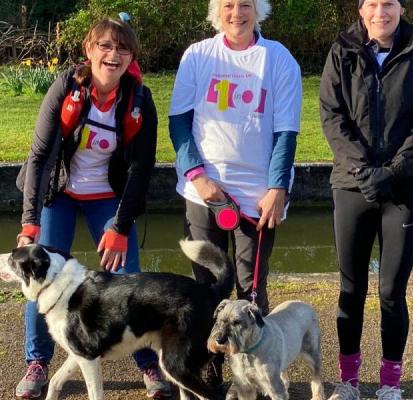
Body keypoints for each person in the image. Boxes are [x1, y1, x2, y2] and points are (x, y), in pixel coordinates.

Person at [14, 17, 171, 400]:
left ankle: (149, 363)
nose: (112, 55)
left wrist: (120, 225)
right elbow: (39, 157)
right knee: (40, 280)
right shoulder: (66, 88)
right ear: (89, 50)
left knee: (130, 279)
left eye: (122, 49)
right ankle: (37, 362)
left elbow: (141, 169)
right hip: (59, 194)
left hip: (107, 198)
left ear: (131, 57)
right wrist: (30, 223)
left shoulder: (139, 100)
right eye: (105, 46)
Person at [168, 0, 302, 390]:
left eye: (245, 4)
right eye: (228, 4)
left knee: (251, 292)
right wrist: (198, 177)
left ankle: (255, 377)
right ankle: (211, 370)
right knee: (209, 290)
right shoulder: (198, 55)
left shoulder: (278, 59)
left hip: (258, 198)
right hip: (203, 192)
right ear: (217, 11)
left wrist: (278, 187)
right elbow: (179, 124)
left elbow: (286, 132)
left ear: (258, 10)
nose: (236, 12)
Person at [319, 1, 413, 399]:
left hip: (404, 189)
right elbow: (332, 116)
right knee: (350, 289)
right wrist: (362, 170)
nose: (380, 12)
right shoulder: (342, 50)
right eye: (372, 4)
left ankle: (390, 384)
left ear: (401, 7)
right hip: (352, 185)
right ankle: (349, 380)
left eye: (387, 3)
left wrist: (391, 172)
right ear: (361, 10)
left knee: (392, 291)